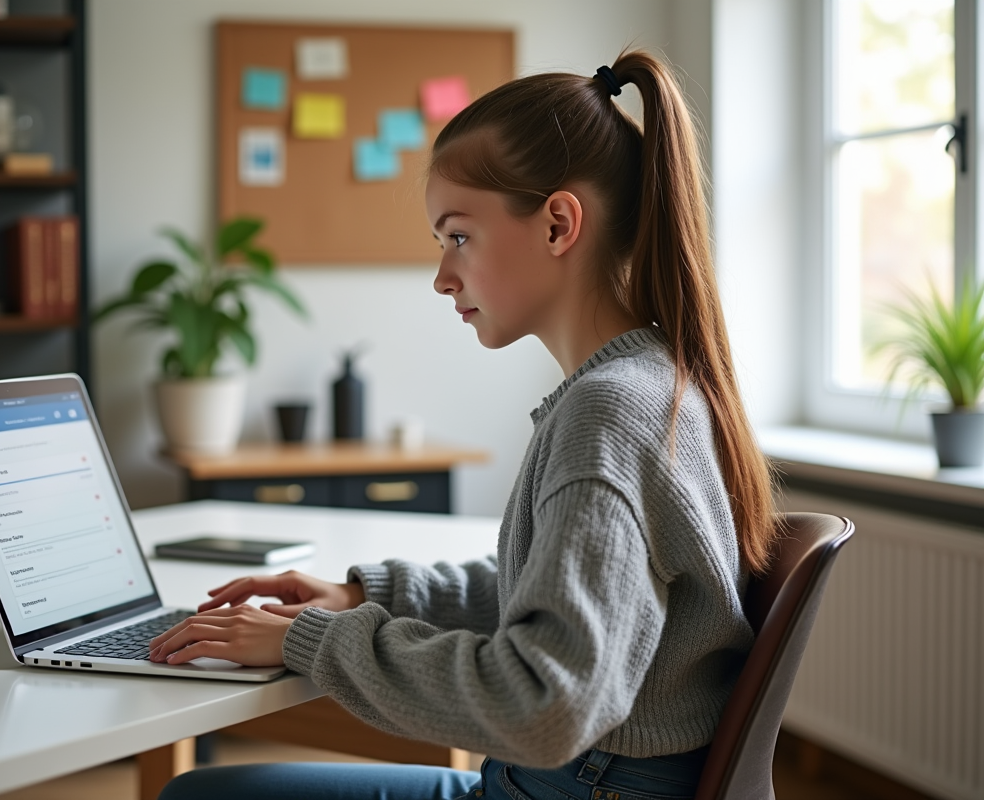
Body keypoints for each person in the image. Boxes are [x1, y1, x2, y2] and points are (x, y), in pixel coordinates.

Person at [152, 48, 775, 800]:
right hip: (582, 783)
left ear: (556, 224)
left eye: (457, 236)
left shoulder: (608, 415)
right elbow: (542, 588)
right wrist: (362, 596)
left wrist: (308, 640)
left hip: (570, 785)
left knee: (200, 796)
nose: (443, 276)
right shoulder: (652, 383)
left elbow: (545, 702)